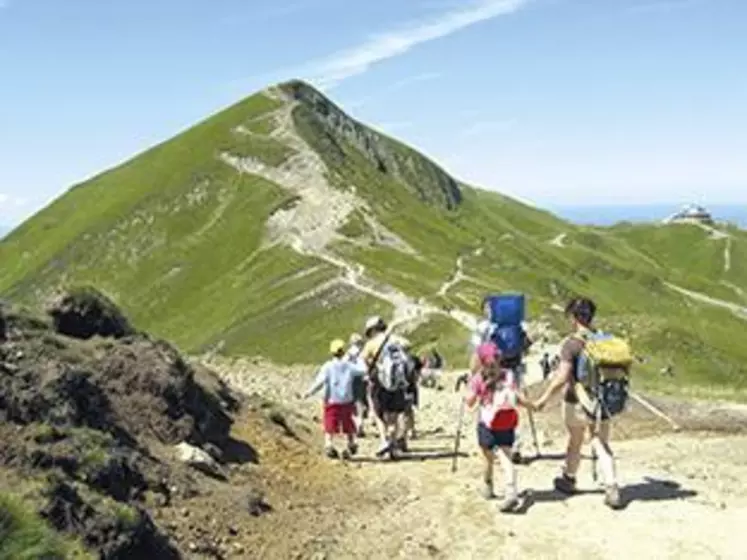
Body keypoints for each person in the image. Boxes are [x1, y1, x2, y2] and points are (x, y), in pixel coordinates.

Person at [532, 297, 623, 510]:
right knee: (600, 442)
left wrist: (544, 399)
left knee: (575, 439)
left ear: (573, 317)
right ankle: (611, 485)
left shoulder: (571, 344)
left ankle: (569, 478)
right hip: (604, 401)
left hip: (577, 401)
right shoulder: (603, 340)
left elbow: (562, 377)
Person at [465, 341, 534, 513]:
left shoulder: (478, 378)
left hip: (487, 423)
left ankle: (488, 485)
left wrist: (471, 390)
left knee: (487, 455)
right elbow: (517, 396)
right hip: (506, 421)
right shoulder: (508, 375)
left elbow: (470, 402)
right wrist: (533, 405)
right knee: (505, 456)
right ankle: (511, 490)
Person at [303, 338, 366, 460]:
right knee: (348, 422)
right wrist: (359, 359)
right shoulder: (349, 366)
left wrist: (309, 392)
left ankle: (329, 444)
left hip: (332, 400)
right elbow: (363, 370)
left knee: (330, 422)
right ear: (343, 352)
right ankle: (351, 443)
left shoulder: (328, 366)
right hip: (347, 400)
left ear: (332, 352)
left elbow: (319, 382)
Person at [361, 316, 409, 457]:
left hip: (380, 384)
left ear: (373, 329)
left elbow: (364, 360)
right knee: (393, 416)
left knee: (378, 414)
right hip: (398, 383)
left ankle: (384, 441)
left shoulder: (371, 344)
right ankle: (393, 446)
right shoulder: (396, 340)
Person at [346, 333, 369, 437]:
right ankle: (360, 423)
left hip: (350, 379)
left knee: (351, 402)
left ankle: (355, 422)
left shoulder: (348, 353)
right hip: (361, 378)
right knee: (361, 401)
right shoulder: (363, 352)